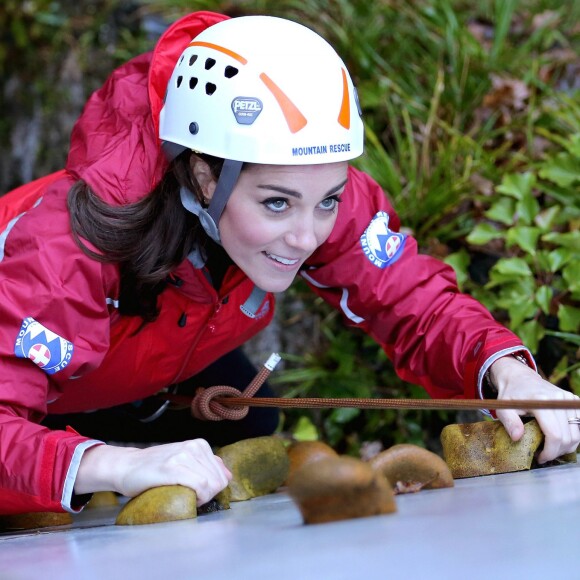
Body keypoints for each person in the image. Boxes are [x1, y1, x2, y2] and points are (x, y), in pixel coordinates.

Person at [0, 11, 578, 516]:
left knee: (251, 428)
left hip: (149, 371)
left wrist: (506, 371)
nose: (306, 235)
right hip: (35, 393)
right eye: (276, 203)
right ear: (204, 176)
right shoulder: (61, 248)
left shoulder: (303, 183)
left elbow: (410, 299)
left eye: (329, 199)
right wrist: (108, 467)